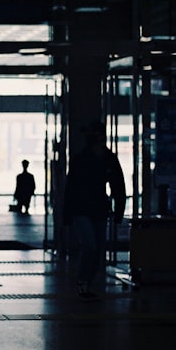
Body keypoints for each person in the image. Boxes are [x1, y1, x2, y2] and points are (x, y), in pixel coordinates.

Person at [62, 120, 126, 301]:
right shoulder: (83, 160)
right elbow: (71, 188)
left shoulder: (107, 159)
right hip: (83, 209)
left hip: (97, 209)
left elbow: (118, 186)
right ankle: (83, 282)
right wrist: (67, 216)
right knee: (90, 246)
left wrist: (118, 211)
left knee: (97, 250)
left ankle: (87, 282)